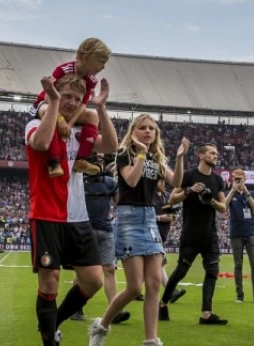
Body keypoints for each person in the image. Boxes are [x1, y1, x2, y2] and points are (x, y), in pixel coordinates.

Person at [27, 74, 118, 346]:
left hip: (78, 217)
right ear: (54, 95)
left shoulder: (81, 131)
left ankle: (51, 325)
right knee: (50, 281)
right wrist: (53, 103)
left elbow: (112, 146)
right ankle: (49, 341)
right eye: (65, 96)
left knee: (93, 281)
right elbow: (41, 144)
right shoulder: (35, 123)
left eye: (77, 99)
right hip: (45, 214)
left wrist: (100, 107)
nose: (71, 102)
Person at [88, 114, 188, 346]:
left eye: (151, 128)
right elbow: (131, 181)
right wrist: (141, 153)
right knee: (134, 287)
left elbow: (176, 182)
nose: (147, 131)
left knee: (153, 284)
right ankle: (101, 326)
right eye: (142, 128)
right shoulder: (125, 154)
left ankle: (151, 340)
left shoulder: (157, 157)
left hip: (149, 220)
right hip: (129, 219)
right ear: (133, 132)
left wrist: (180, 159)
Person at [158, 144, 229, 326]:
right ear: (201, 155)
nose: (215, 156)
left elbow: (223, 207)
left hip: (210, 235)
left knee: (212, 272)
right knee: (180, 272)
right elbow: (172, 198)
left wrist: (210, 200)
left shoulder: (218, 180)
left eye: (216, 153)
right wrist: (189, 191)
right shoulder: (189, 176)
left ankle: (206, 314)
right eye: (212, 153)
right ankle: (163, 304)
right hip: (190, 234)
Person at [30, 38, 112, 178]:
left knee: (93, 116)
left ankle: (82, 158)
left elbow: (82, 105)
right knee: (46, 113)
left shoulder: (92, 80)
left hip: (69, 111)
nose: (103, 67)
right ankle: (53, 162)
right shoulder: (63, 69)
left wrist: (69, 123)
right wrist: (60, 119)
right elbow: (49, 97)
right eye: (101, 62)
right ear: (86, 56)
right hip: (47, 104)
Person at [69, 155, 130, 325]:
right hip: (85, 230)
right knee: (83, 272)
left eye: (102, 160)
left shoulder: (110, 182)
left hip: (106, 229)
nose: (100, 162)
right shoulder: (79, 180)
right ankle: (75, 307)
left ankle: (114, 310)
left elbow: (119, 201)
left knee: (110, 269)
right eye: (97, 159)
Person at [224, 169, 254, 303]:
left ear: (245, 179)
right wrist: (232, 190)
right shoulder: (230, 194)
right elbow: (223, 206)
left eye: (240, 179)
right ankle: (239, 295)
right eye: (236, 179)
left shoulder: (251, 193)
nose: (238, 182)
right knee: (238, 265)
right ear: (232, 180)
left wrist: (246, 192)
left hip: (251, 233)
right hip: (236, 233)